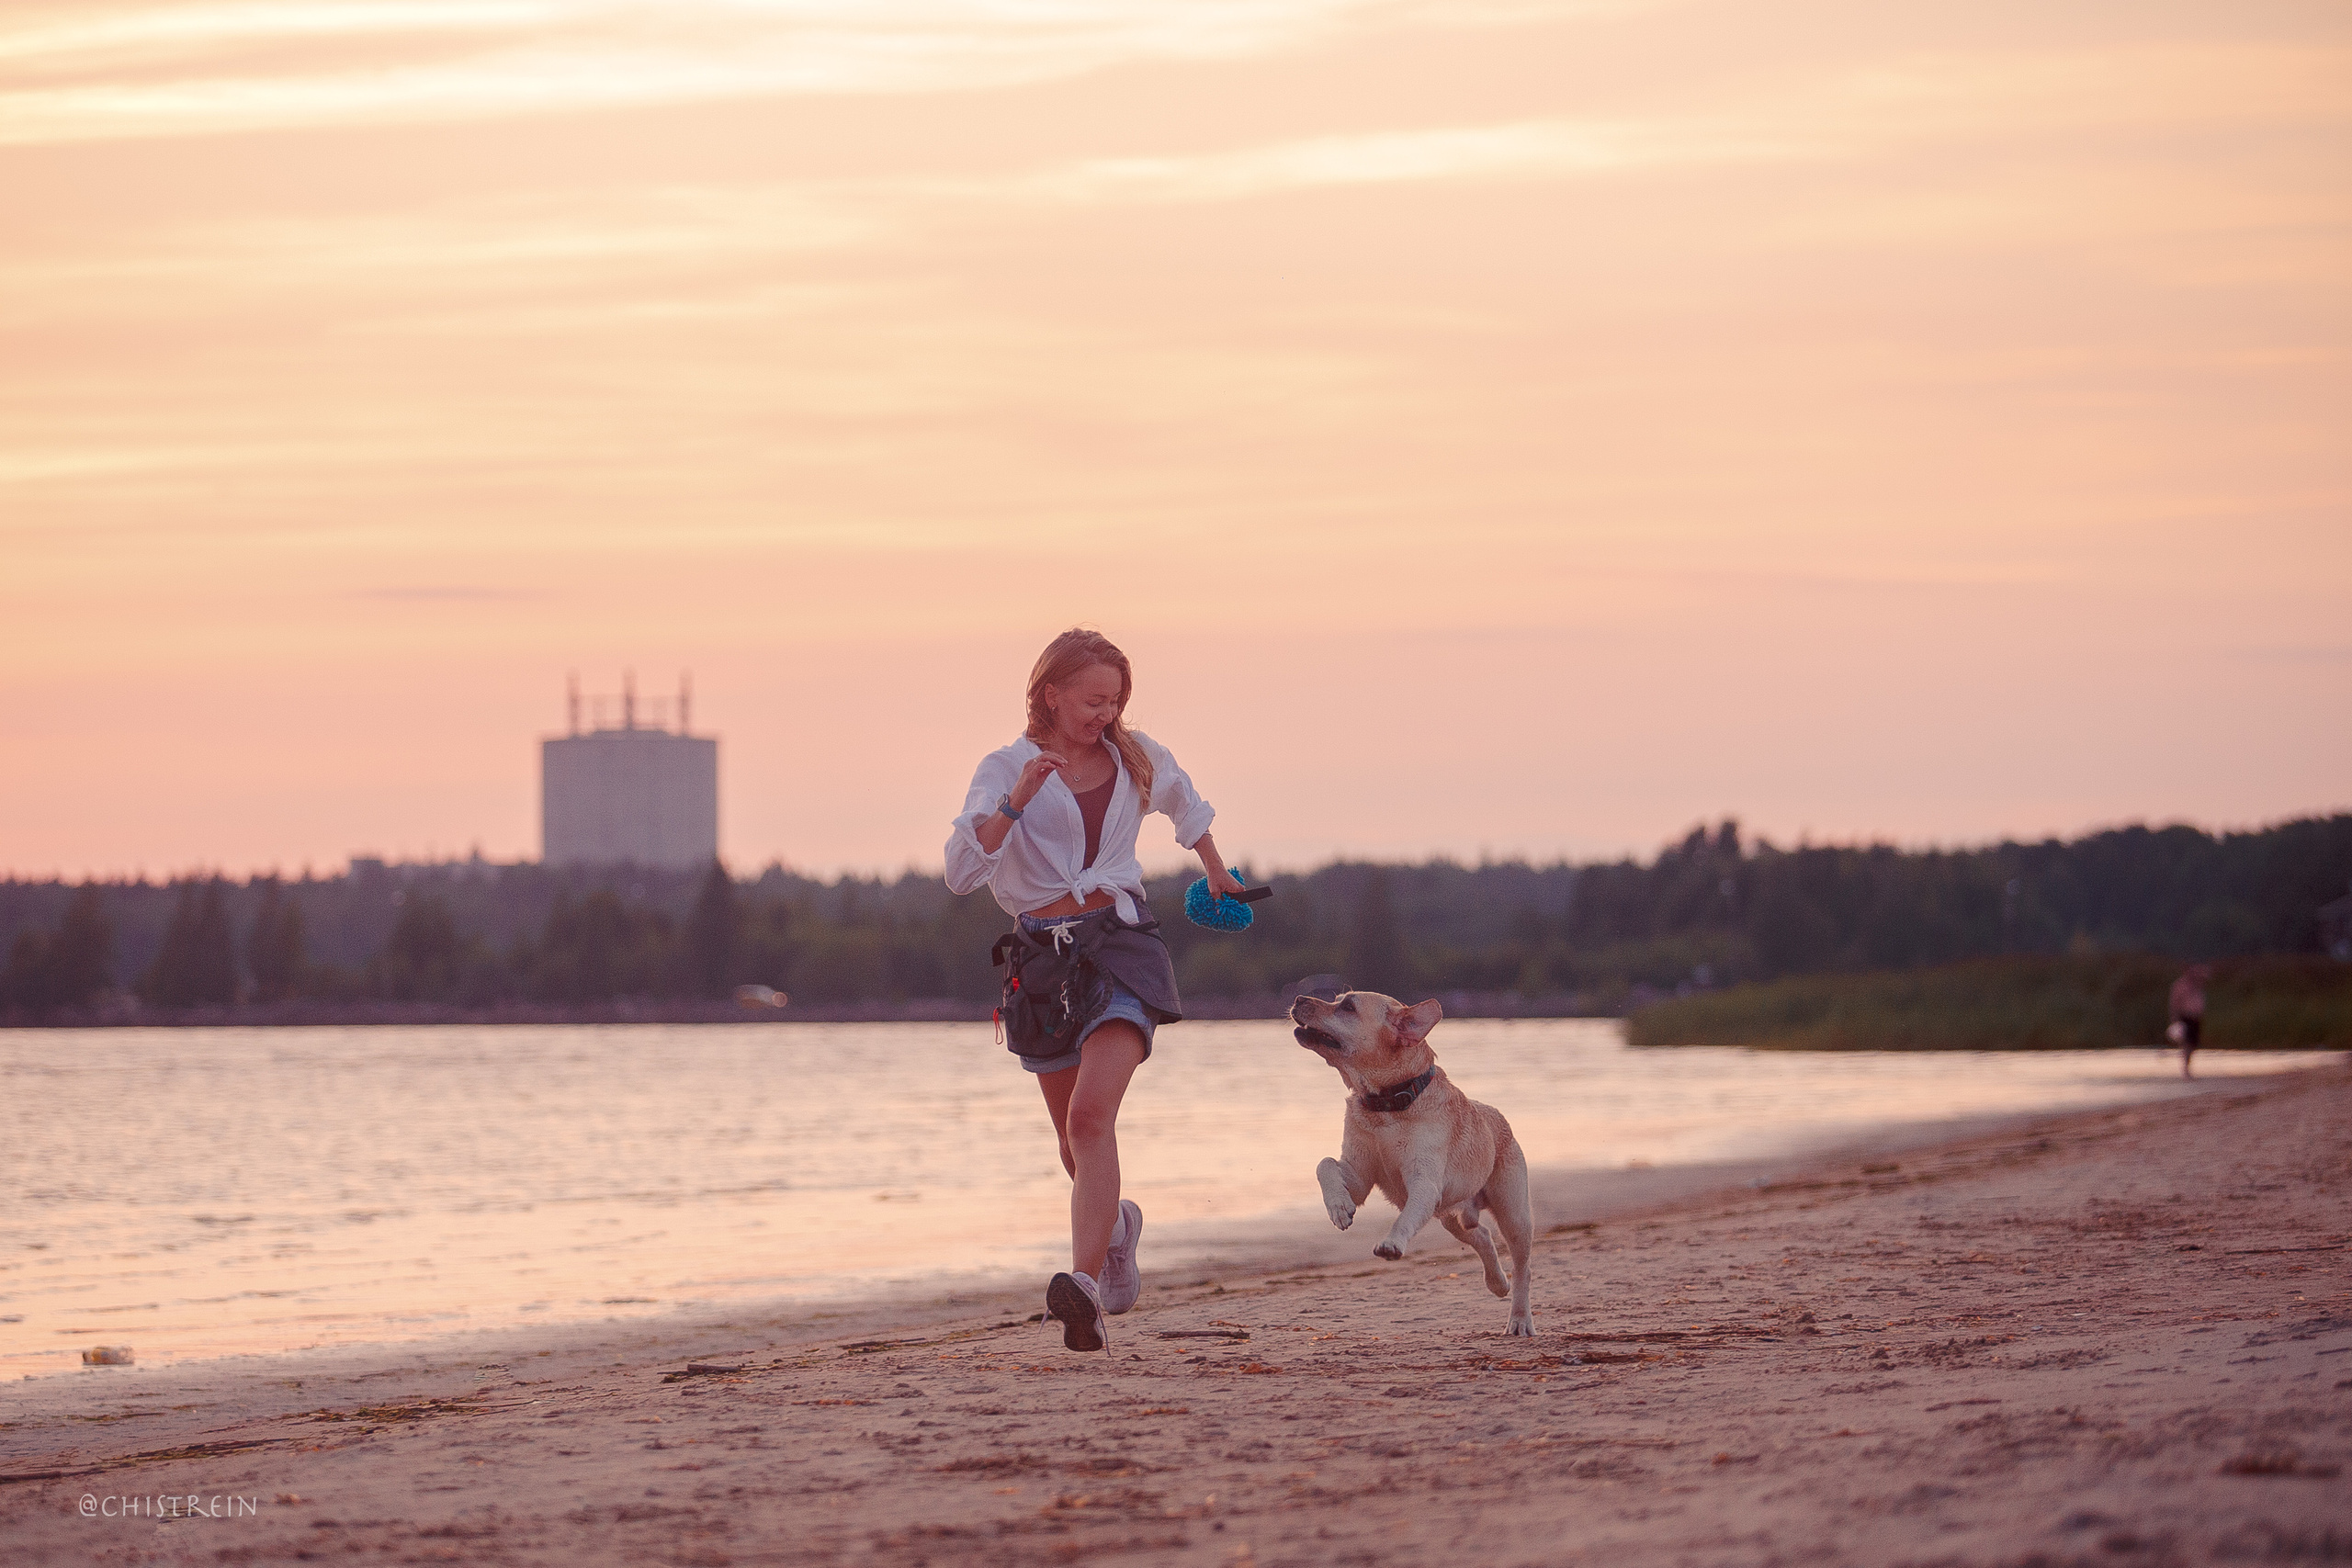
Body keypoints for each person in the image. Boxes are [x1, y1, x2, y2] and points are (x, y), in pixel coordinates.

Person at [944, 628, 1242, 1351]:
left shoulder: (1134, 757)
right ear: (1051, 692)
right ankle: (1115, 1232)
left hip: (1120, 945)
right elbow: (961, 869)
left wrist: (1216, 869)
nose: (1104, 714)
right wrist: (1018, 799)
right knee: (1073, 1142)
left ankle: (1082, 1288)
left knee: (1089, 1117)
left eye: (1114, 701)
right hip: (1041, 966)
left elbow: (1187, 804)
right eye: (1092, 699)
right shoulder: (1005, 766)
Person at [2168, 963, 2211, 1078]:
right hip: (2185, 1017)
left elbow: (2207, 975)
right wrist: (2175, 1019)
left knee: (2193, 1044)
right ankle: (2186, 1070)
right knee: (2186, 1043)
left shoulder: (2197, 984)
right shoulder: (2180, 985)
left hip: (2196, 1018)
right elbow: (2174, 1003)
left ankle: (2187, 1067)